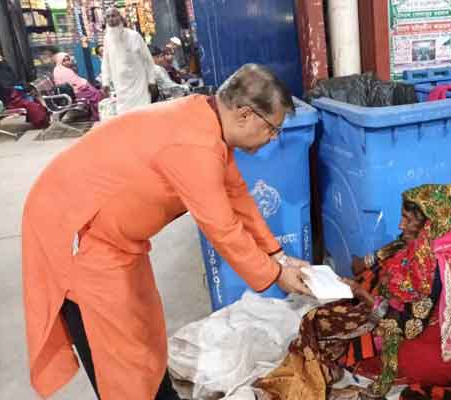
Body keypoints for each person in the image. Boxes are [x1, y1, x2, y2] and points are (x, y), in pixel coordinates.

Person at [22, 64, 311, 400]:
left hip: (118, 237)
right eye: (273, 129)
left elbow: (238, 198)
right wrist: (276, 275)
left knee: (144, 330)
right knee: (118, 353)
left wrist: (279, 256)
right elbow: (222, 228)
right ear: (246, 114)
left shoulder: (208, 123)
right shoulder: (194, 145)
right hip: (76, 227)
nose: (272, 139)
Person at [254, 184, 451, 400]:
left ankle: (320, 377)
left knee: (316, 322)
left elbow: (404, 326)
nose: (401, 225)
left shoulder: (430, 271)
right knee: (367, 280)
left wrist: (361, 293)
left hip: (426, 354)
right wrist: (362, 272)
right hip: (439, 337)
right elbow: (389, 255)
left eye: (408, 220)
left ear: (428, 226)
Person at [101, 7, 157, 114]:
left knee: (143, 113)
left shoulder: (134, 36)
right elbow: (105, 63)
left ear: (120, 17)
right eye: (108, 17)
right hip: (121, 87)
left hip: (139, 84)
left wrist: (151, 81)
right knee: (125, 116)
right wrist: (105, 82)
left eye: (113, 16)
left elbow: (148, 60)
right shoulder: (107, 39)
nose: (111, 19)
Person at [0, 54, 48, 129]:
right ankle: (40, 123)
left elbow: (15, 79)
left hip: (15, 93)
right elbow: (5, 86)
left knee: (35, 100)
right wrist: (19, 88)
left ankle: (43, 121)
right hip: (7, 97)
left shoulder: (4, 66)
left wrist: (24, 86)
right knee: (31, 105)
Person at [53, 52, 105, 120]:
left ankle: (96, 114)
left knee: (95, 91)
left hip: (72, 92)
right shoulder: (62, 71)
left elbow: (75, 82)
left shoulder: (61, 69)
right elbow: (74, 85)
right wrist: (85, 84)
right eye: (64, 61)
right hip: (73, 94)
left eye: (68, 59)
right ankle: (97, 115)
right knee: (96, 94)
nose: (67, 62)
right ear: (59, 61)